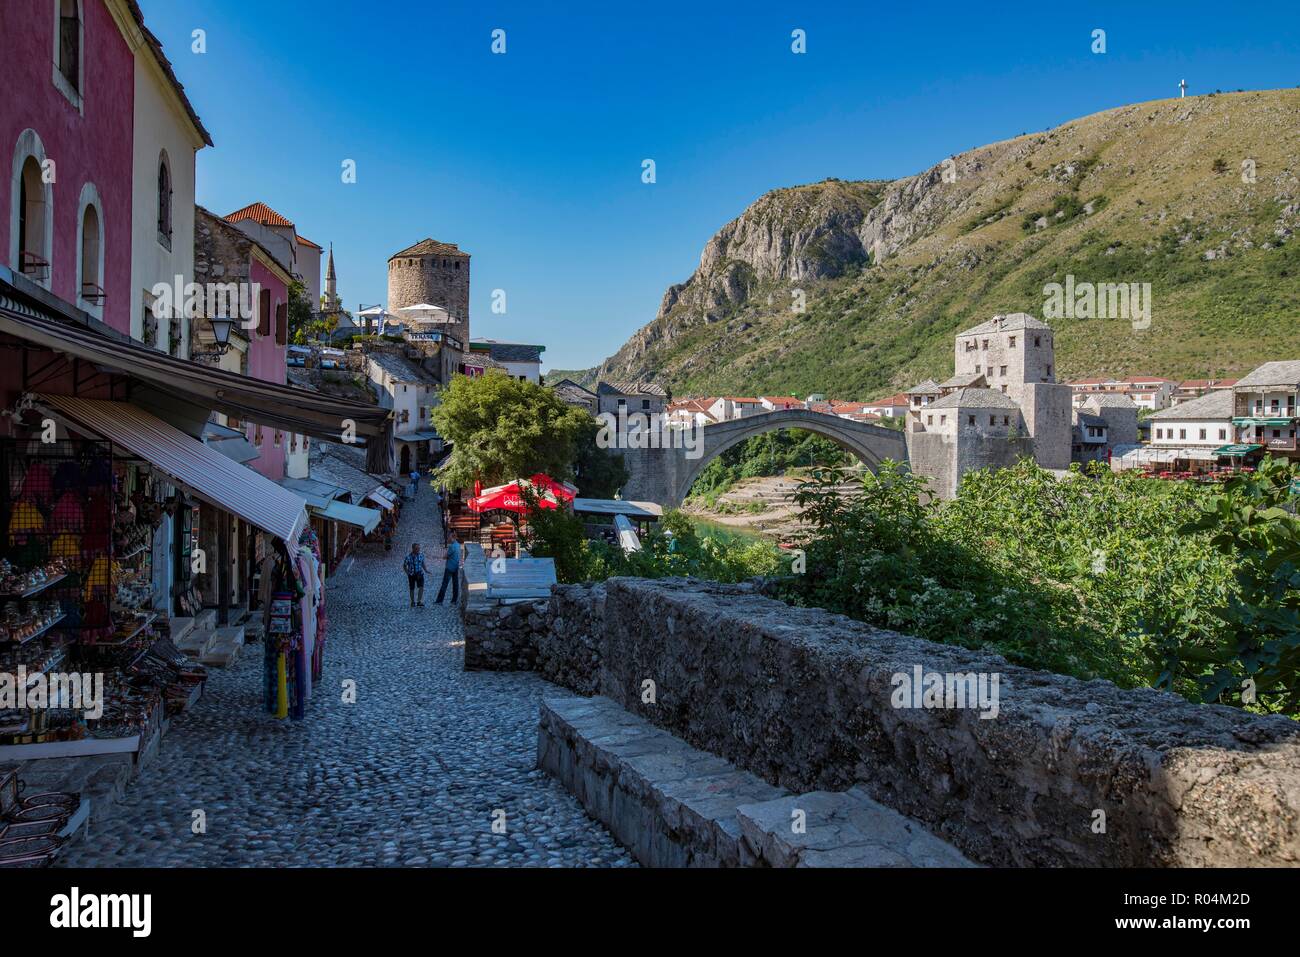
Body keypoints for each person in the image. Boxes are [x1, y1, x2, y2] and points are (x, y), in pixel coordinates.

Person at [434, 531, 462, 605]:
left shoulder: (452, 546)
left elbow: (445, 556)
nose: (448, 538)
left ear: (452, 537)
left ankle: (439, 600)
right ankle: (454, 600)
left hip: (449, 567)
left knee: (444, 584)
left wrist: (445, 556)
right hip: (456, 566)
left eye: (449, 537)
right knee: (455, 584)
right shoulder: (458, 545)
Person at [403, 542, 427, 608]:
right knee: (412, 588)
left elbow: (422, 563)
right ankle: (412, 602)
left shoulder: (421, 555)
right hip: (412, 575)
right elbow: (404, 566)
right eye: (416, 549)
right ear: (413, 549)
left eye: (419, 548)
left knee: (421, 587)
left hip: (420, 574)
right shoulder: (408, 557)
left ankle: (419, 601)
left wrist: (426, 570)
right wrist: (407, 572)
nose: (418, 550)